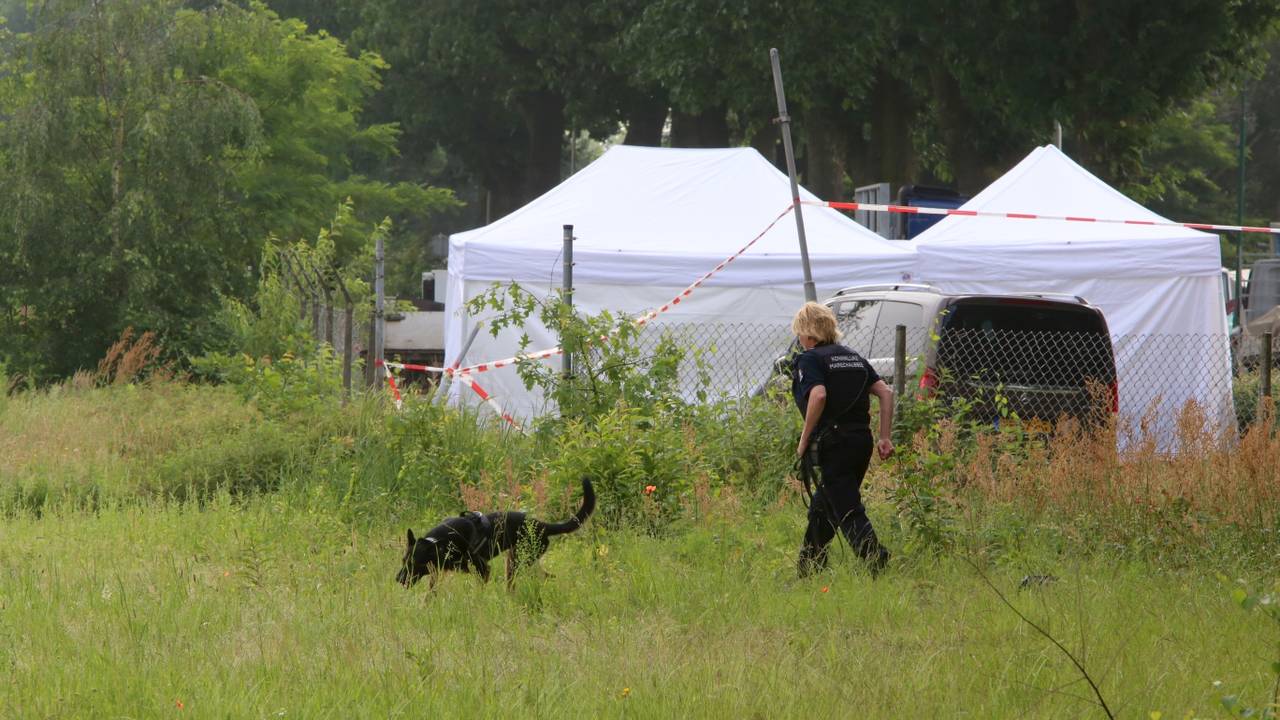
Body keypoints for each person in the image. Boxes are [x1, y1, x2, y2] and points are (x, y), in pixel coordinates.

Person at [789, 301, 894, 577]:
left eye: (800, 333)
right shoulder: (853, 357)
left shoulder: (810, 358)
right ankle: (809, 566)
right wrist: (885, 437)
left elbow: (819, 395)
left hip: (834, 442)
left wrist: (804, 439)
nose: (800, 339)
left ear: (808, 332)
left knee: (846, 506)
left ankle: (876, 559)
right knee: (825, 503)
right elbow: (885, 392)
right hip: (862, 441)